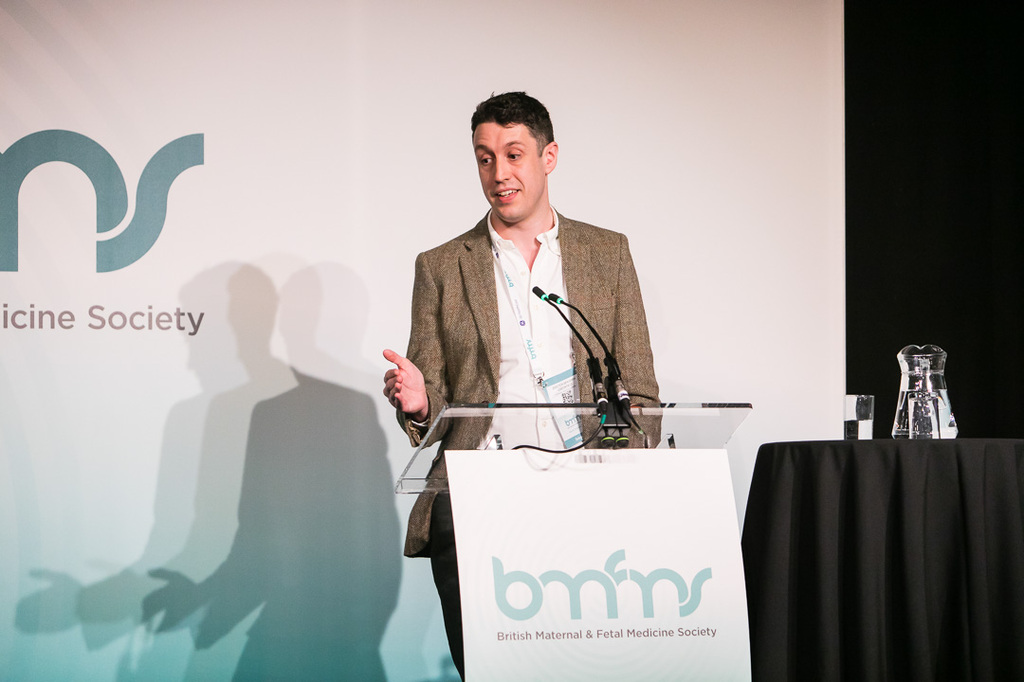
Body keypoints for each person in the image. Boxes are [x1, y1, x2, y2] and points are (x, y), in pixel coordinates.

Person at [383, 91, 659, 679]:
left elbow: (642, 396)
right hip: (476, 494)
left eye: (513, 155)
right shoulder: (441, 266)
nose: (498, 174)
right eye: (484, 158)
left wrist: (617, 468)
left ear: (548, 156)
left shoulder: (606, 253)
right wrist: (420, 402)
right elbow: (431, 403)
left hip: (588, 496)